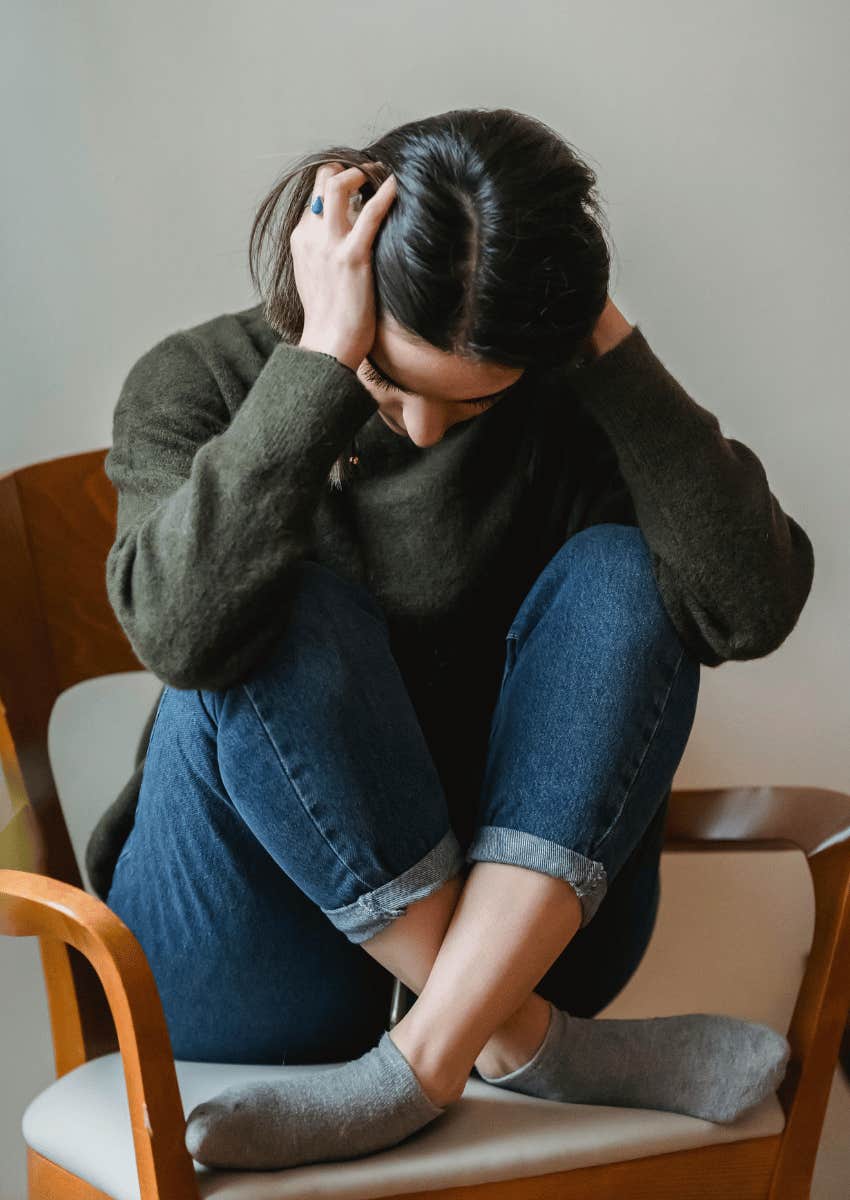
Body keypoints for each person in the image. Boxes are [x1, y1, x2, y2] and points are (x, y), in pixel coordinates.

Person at [91, 108, 815, 1171]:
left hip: (527, 925)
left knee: (628, 576)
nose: (424, 429)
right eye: (391, 382)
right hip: (242, 953)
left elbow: (746, 607)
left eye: (468, 407)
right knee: (272, 604)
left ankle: (422, 1059)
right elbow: (180, 634)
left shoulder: (564, 400)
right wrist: (319, 371)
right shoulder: (197, 382)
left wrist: (608, 351)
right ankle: (520, 1040)